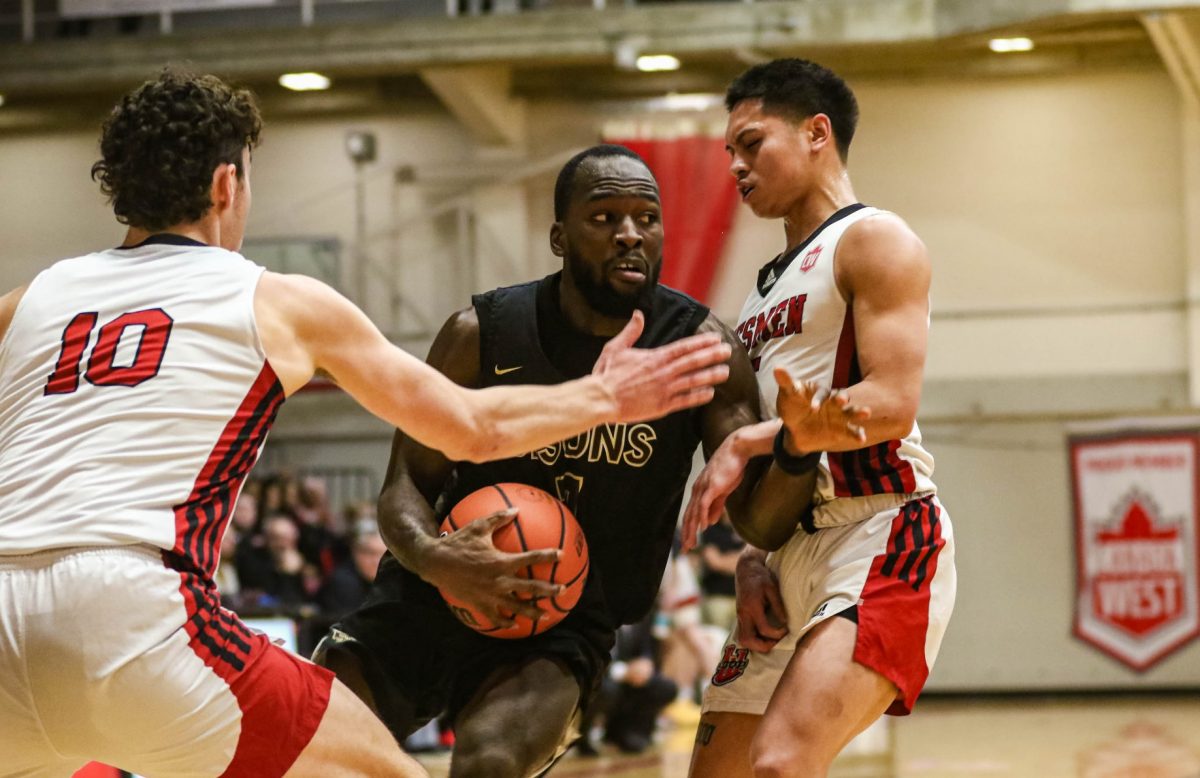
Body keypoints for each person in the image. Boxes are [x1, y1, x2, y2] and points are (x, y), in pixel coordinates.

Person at [0, 70, 735, 778]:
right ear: (228, 183)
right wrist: (605, 397)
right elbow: (468, 429)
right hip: (135, 607)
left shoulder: (26, 300)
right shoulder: (274, 299)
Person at [312, 144, 869, 778]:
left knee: (490, 764)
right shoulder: (482, 335)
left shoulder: (701, 348)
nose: (630, 234)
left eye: (646, 218)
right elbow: (403, 489)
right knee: (311, 734)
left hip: (564, 621)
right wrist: (441, 560)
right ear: (559, 236)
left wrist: (796, 451)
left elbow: (760, 525)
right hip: (433, 588)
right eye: (604, 218)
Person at [678, 58, 958, 778]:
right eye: (729, 153)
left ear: (815, 133)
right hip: (789, 555)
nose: (736, 166)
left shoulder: (874, 240)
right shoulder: (763, 289)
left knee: (779, 764)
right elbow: (797, 439)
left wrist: (755, 436)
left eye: (751, 143)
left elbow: (892, 403)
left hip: (881, 531)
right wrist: (755, 556)